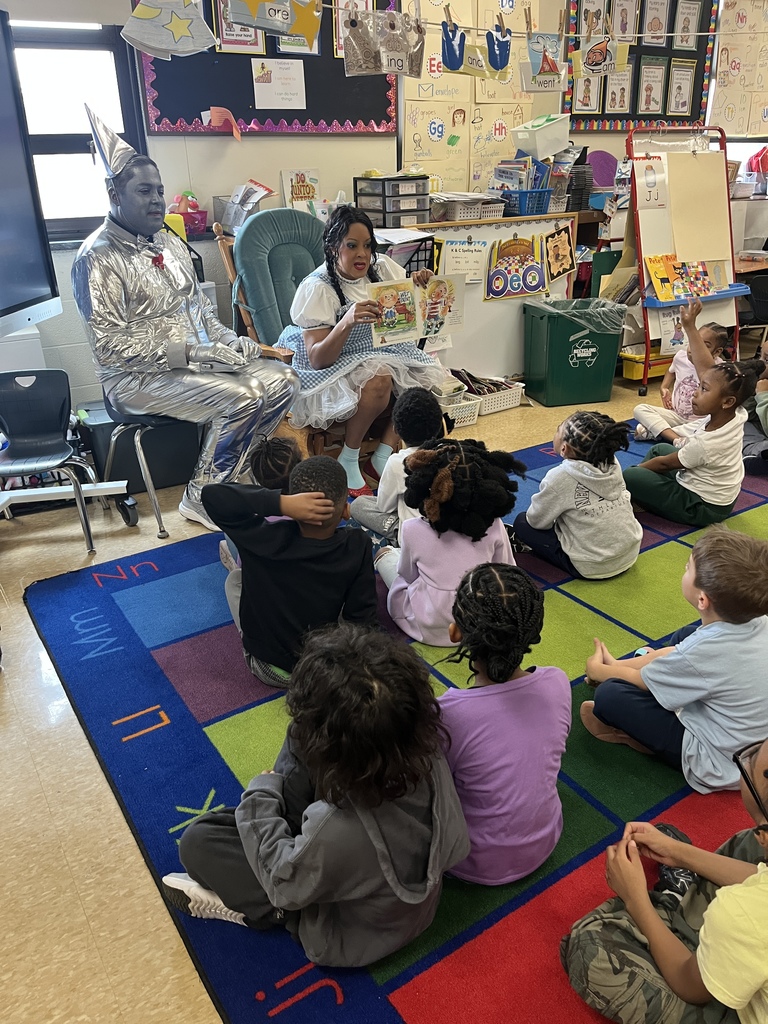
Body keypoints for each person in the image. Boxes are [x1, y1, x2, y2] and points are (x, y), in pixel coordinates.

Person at [161, 624, 471, 968]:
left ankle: (257, 913)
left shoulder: (335, 828)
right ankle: (284, 819)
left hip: (343, 936)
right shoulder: (425, 749)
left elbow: (285, 886)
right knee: (299, 738)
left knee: (199, 842)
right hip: (402, 899)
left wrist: (261, 798)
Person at [72, 108, 298, 530]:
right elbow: (108, 346)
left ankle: (236, 478)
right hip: (133, 380)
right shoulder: (96, 257)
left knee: (283, 380)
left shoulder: (170, 244)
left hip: (197, 364)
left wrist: (230, 343)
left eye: (159, 190)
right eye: (144, 191)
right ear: (114, 193)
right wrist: (192, 351)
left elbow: (204, 314)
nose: (157, 199)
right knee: (246, 395)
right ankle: (205, 498)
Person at [562, 736, 768, 1024]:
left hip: (714, 982)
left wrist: (636, 900)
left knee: (590, 948)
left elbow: (690, 985)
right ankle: (678, 907)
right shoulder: (757, 877)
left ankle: (672, 902)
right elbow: (760, 879)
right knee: (750, 848)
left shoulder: (746, 913)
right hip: (744, 929)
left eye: (752, 757)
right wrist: (678, 853)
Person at [579, 527, 768, 793]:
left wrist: (599, 670)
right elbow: (685, 653)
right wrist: (617, 665)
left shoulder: (706, 651)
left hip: (721, 761)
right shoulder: (759, 620)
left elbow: (641, 680)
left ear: (702, 599)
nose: (684, 568)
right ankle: (665, 685)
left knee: (611, 694)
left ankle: (639, 737)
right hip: (755, 744)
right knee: (685, 635)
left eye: (688, 568)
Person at [277, 206, 450, 493]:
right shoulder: (318, 287)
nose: (362, 254)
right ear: (333, 248)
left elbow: (405, 314)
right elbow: (318, 358)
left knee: (420, 378)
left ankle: (382, 455)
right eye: (352, 245)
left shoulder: (381, 268)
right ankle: (349, 456)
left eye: (367, 245)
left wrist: (420, 286)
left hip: (383, 352)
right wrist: (346, 321)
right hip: (334, 362)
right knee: (379, 378)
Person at [438, 564, 571, 885]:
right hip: (546, 839)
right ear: (534, 628)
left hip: (472, 860)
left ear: (455, 632)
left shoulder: (447, 712)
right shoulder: (558, 682)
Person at [201, 456, 377, 686]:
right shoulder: (357, 543)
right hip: (325, 667)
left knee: (235, 579)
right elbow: (362, 616)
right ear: (345, 510)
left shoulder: (264, 537)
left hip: (270, 668)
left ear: (295, 509)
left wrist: (280, 504)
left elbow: (211, 495)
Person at [623, 298, 765, 526]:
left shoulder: (707, 443)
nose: (695, 393)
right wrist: (689, 327)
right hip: (713, 489)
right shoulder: (734, 412)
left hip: (702, 506)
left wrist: (631, 474)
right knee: (660, 448)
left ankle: (637, 493)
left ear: (727, 401)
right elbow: (706, 370)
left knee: (631, 475)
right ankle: (643, 492)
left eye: (704, 389)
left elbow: (665, 464)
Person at [375, 438, 526, 645]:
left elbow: (408, 576)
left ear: (429, 486)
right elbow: (507, 572)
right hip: (480, 623)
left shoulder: (412, 529)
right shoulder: (494, 525)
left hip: (425, 624)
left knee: (386, 555)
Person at [511, 411, 642, 579]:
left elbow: (536, 522)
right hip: (629, 554)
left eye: (558, 430)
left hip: (591, 566)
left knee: (522, 522)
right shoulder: (612, 462)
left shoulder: (559, 477)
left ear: (564, 449)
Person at [349, 387, 448, 544]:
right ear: (438, 426)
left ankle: (397, 534)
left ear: (395, 429)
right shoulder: (451, 453)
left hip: (417, 537)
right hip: (450, 527)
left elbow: (384, 507)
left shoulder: (398, 462)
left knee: (359, 505)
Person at [633, 315, 727, 441]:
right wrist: (664, 387)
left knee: (710, 433)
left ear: (716, 352)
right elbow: (671, 371)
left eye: (705, 345)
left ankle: (663, 433)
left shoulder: (720, 369)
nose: (695, 347)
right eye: (695, 341)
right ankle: (675, 437)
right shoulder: (680, 357)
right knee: (640, 409)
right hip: (676, 416)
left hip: (700, 422)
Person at [217, 433, 302, 572]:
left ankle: (234, 567)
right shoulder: (315, 503)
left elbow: (215, 494)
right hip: (303, 573)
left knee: (229, 533)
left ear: (257, 477)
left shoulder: (254, 515)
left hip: (263, 577)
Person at [742, 336, 768, 473]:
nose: (761, 363)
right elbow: (747, 414)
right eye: (761, 356)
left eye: (767, 360)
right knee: (736, 422)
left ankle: (755, 454)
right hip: (759, 435)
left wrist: (763, 396)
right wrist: (754, 390)